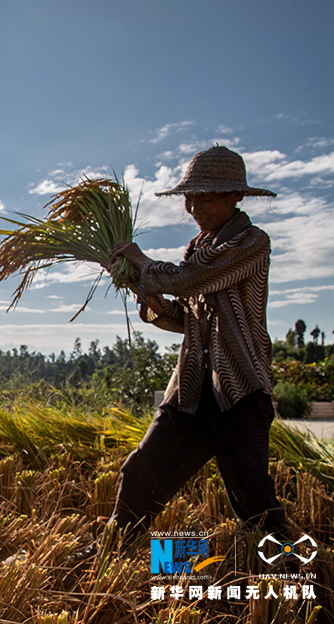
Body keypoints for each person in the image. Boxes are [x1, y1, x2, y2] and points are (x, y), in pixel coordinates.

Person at [71, 145, 290, 566]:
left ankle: (294, 580)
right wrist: (138, 282)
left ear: (235, 197)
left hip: (239, 393)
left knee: (254, 504)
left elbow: (193, 280)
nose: (193, 207)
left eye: (204, 197)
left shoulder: (251, 243)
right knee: (140, 474)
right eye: (190, 198)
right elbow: (182, 317)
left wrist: (142, 260)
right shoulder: (195, 248)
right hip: (190, 389)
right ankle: (110, 559)